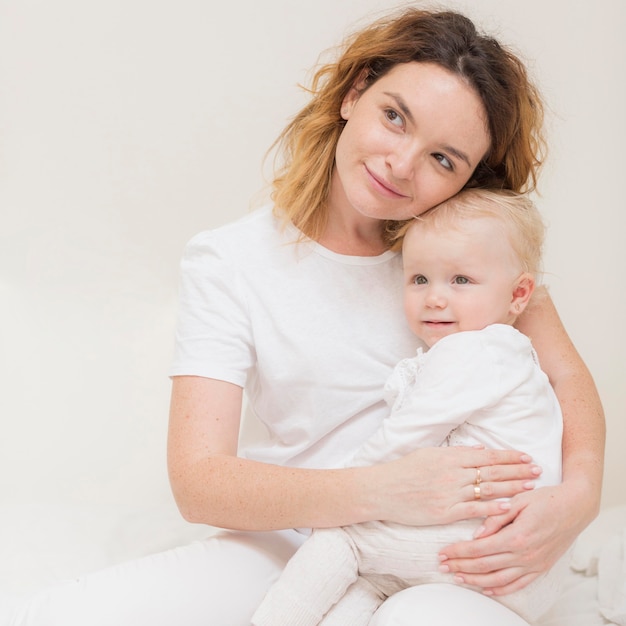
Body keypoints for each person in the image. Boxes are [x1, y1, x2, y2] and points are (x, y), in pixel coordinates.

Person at [4, 7, 604, 626]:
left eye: (443, 159)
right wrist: (385, 491)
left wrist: (577, 498)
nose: (401, 165)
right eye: (394, 117)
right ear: (354, 93)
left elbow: (568, 380)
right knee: (57, 614)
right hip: (306, 540)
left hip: (458, 550)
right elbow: (198, 480)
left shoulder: (468, 254)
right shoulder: (231, 260)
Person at [251, 188, 566, 626]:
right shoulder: (508, 355)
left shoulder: (475, 352)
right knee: (372, 580)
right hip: (511, 559)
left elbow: (404, 437)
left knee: (344, 536)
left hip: (488, 545)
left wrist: (344, 492)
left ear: (519, 294)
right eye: (420, 279)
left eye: (460, 280)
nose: (435, 297)